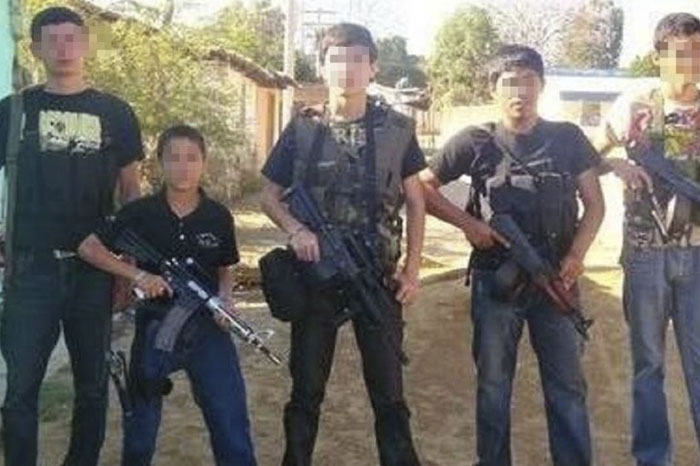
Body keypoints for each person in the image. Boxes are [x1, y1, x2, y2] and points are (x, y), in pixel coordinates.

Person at [419, 45, 605, 466]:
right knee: (493, 385)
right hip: (497, 282)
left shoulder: (567, 138)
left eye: (528, 81)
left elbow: (595, 204)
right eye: (509, 83)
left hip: (556, 279)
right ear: (493, 89)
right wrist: (468, 225)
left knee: (568, 387)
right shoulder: (476, 141)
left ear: (542, 85)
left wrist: (577, 255)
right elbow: (422, 186)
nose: (519, 91)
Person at [260, 22, 426, 466]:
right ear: (322, 66)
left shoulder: (398, 129)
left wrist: (412, 271)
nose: (347, 69)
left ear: (373, 68)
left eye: (357, 59)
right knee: (306, 391)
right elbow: (269, 195)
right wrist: (295, 230)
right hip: (316, 280)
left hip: (377, 279)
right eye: (337, 59)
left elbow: (416, 201)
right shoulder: (303, 129)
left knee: (389, 395)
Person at [0, 7, 143, 466]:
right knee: (20, 390)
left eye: (71, 38)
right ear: (35, 48)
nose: (63, 48)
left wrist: (126, 263)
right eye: (52, 40)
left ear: (85, 45)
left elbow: (131, 191)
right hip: (31, 271)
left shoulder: (116, 113)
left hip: (94, 272)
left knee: (92, 387)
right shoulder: (13, 111)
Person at [78, 124, 258, 466]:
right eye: (174, 158)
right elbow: (89, 248)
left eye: (191, 158)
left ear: (203, 162)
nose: (183, 167)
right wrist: (138, 275)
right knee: (140, 429)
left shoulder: (218, 216)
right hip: (156, 328)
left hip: (207, 328)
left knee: (231, 423)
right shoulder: (140, 213)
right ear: (160, 162)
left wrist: (226, 300)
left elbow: (225, 267)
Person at [595, 12, 700, 466]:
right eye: (679, 53)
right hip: (645, 254)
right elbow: (587, 153)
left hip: (698, 256)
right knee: (649, 365)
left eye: (697, 51)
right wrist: (614, 164)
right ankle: (654, 459)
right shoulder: (634, 106)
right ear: (658, 58)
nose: (690, 62)